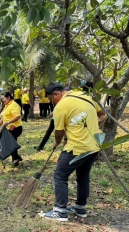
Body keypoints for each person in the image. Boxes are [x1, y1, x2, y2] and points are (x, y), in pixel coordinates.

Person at [43, 83, 102, 222]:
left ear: (57, 94)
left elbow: (59, 131)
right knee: (83, 176)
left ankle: (60, 211)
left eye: (51, 99)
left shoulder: (61, 107)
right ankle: (80, 208)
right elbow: (103, 115)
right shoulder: (86, 96)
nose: (52, 102)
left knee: (60, 175)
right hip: (93, 145)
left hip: (76, 147)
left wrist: (57, 141)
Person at [0, 92, 23, 166]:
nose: (2, 100)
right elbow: (3, 118)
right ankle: (16, 158)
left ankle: (16, 159)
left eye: (3, 98)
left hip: (15, 128)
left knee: (10, 143)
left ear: (9, 97)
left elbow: (17, 116)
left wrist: (9, 122)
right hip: (8, 128)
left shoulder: (14, 105)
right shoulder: (7, 106)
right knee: (10, 143)